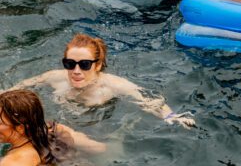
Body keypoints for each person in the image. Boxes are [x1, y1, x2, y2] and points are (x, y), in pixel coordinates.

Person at [8, 33, 194, 127]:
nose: (76, 71)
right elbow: (20, 88)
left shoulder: (113, 85)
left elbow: (148, 100)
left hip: (99, 124)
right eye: (70, 63)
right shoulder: (54, 78)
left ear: (97, 65)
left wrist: (171, 117)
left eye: (85, 65)